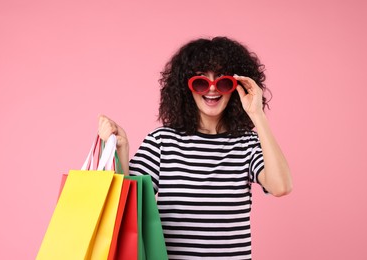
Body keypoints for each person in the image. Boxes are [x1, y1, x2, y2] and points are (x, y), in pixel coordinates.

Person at [98, 36, 292, 259]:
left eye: (223, 81)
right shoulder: (163, 141)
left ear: (236, 87)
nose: (211, 89)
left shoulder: (246, 143)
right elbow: (128, 207)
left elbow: (281, 186)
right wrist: (121, 148)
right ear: (186, 88)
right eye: (201, 82)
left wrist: (257, 114)